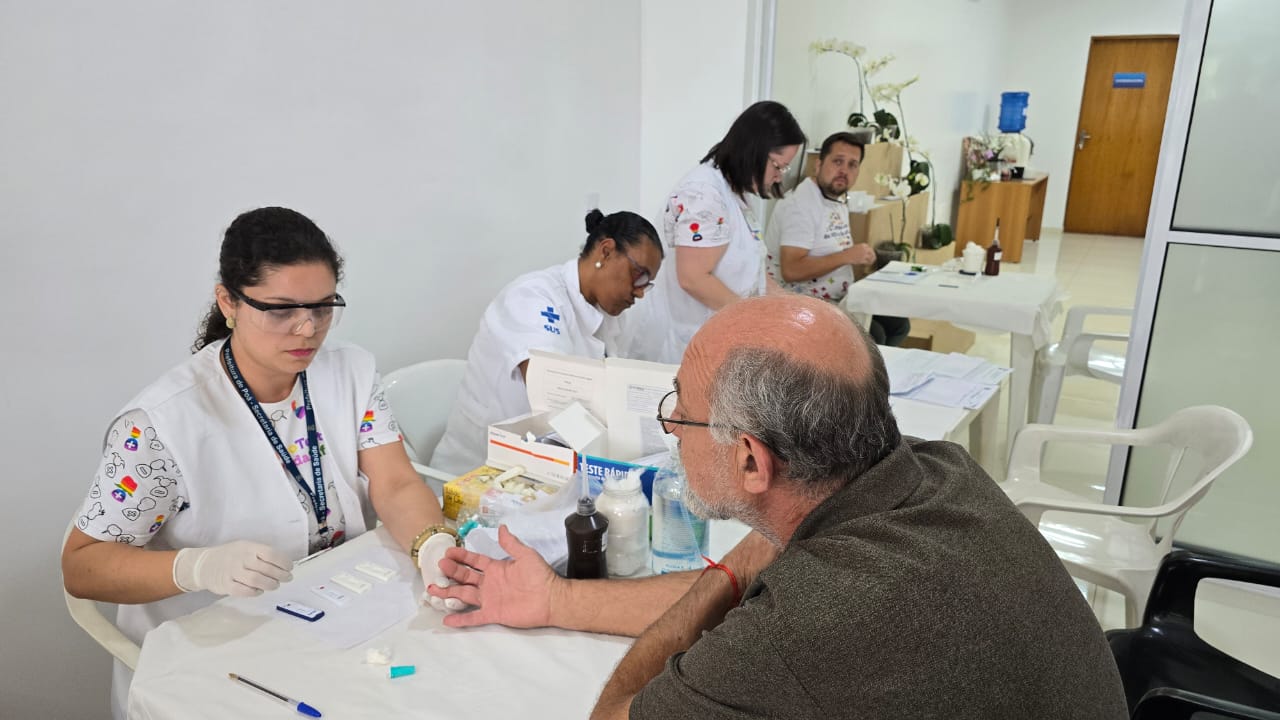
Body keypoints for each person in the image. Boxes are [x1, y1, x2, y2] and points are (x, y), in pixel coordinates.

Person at [429, 294, 1130, 719]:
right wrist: (557, 601)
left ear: (752, 462)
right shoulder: (935, 469)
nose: (670, 429)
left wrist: (749, 560)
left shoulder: (812, 621)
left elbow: (614, 715)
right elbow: (752, 594)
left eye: (683, 413)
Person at [61, 207, 458, 720]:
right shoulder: (162, 422)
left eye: (322, 306)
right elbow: (83, 565)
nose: (307, 328)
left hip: (331, 615)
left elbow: (397, 482)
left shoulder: (351, 371)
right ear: (228, 301)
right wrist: (195, 567)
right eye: (280, 310)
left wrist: (432, 545)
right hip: (217, 656)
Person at [430, 209, 663, 476]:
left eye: (648, 284)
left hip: (548, 465)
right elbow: (553, 395)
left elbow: (615, 394)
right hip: (482, 473)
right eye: (640, 276)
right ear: (606, 252)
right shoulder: (532, 298)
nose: (641, 292)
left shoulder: (611, 317)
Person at [615, 101, 806, 364]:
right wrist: (755, 319)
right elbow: (693, 278)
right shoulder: (703, 194)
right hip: (683, 342)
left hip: (716, 334)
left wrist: (796, 308)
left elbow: (753, 275)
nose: (779, 177)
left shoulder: (734, 193)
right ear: (754, 151)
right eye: (778, 166)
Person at [766, 131, 911, 346]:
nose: (844, 170)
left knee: (898, 324)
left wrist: (861, 258)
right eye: (837, 161)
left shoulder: (835, 199)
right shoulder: (800, 206)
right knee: (874, 335)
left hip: (839, 297)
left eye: (852, 165)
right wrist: (847, 256)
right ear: (818, 164)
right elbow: (792, 270)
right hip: (801, 303)